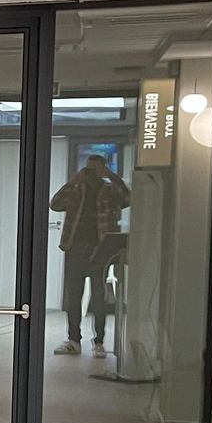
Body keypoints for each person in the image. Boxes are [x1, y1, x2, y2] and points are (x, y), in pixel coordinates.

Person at [49, 153, 129, 358]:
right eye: (88, 169)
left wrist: (111, 176)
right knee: (74, 296)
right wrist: (73, 181)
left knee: (99, 297)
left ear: (103, 169)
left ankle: (99, 341)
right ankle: (74, 340)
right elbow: (55, 204)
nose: (91, 174)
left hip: (100, 248)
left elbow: (127, 199)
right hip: (75, 247)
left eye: (95, 170)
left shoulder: (109, 190)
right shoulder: (77, 189)